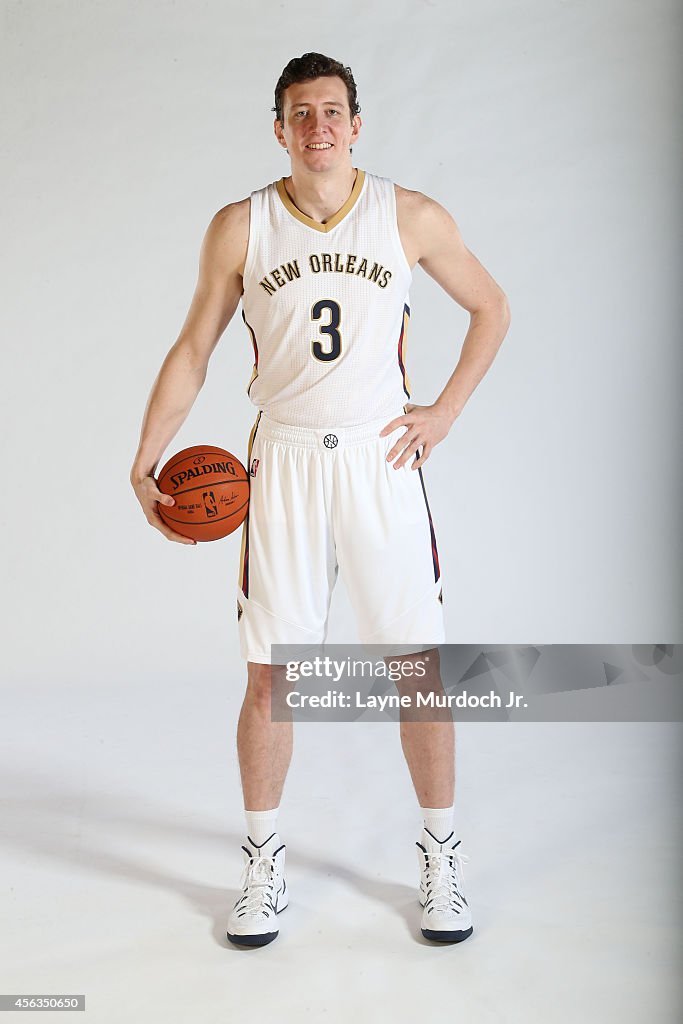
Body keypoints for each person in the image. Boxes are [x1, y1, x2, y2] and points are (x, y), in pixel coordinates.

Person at [130, 52, 510, 948]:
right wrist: (144, 462)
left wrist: (444, 412)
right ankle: (263, 864)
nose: (318, 127)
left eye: (332, 111)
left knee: (417, 666)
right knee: (272, 676)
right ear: (278, 127)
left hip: (382, 458)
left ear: (356, 123)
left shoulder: (407, 215)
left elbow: (490, 307)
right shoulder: (241, 226)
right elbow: (193, 351)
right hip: (285, 465)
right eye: (300, 113)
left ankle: (440, 855)